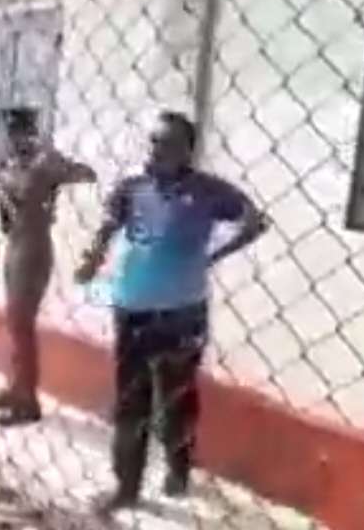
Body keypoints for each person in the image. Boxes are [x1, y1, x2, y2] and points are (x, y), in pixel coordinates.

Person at [74, 110, 267, 513]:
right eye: (154, 140)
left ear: (187, 150)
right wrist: (91, 260)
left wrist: (214, 256)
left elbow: (254, 222)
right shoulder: (132, 187)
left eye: (168, 142)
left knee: (177, 397)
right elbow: (108, 226)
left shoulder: (210, 191)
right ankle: (126, 488)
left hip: (183, 312)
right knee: (131, 401)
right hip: (134, 308)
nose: (157, 149)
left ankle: (178, 471)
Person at [0, 107, 96, 426]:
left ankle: (27, 400)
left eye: (23, 131)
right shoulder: (10, 165)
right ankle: (16, 387)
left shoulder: (44, 163)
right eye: (11, 132)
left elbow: (84, 173)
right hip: (14, 245)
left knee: (22, 323)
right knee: (14, 322)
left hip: (34, 246)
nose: (16, 138)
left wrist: (50, 167)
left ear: (33, 132)